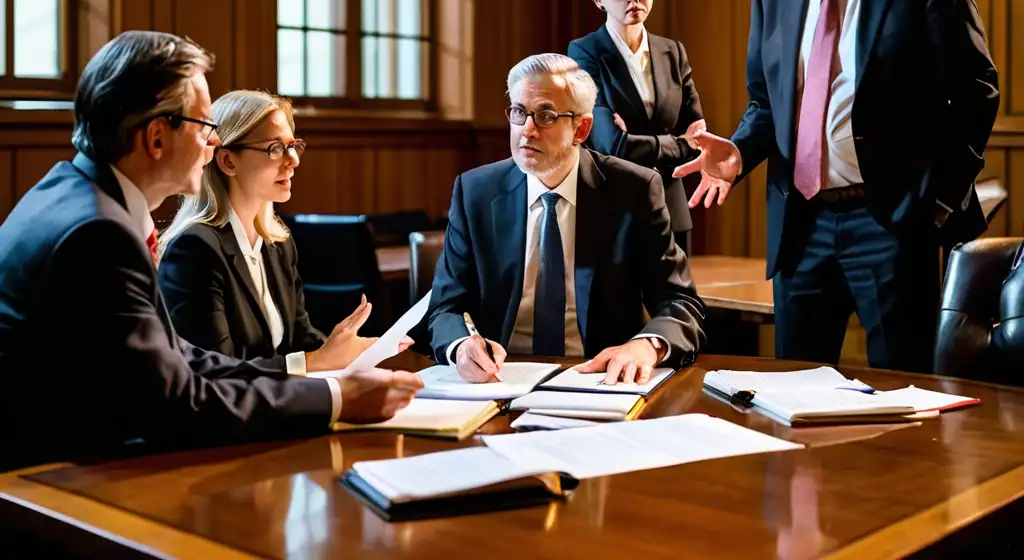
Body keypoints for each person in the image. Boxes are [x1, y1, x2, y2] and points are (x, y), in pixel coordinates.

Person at [0, 31, 423, 471]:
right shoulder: (97, 233)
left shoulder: (71, 193)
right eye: (204, 126)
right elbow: (177, 404)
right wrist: (338, 397)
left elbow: (184, 358)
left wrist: (324, 381)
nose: (215, 143)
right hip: (40, 484)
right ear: (157, 138)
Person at [674, 0, 999, 372]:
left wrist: (937, 202)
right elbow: (766, 102)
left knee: (903, 389)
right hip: (801, 223)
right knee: (796, 389)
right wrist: (739, 152)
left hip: (892, 219)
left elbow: (975, 90)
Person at [426, 53, 706, 385]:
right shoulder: (476, 192)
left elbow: (681, 303)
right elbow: (445, 308)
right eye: (519, 112)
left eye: (545, 115)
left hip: (600, 379)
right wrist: (461, 347)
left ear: (581, 128)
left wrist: (646, 347)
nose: (527, 131)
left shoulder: (634, 190)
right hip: (499, 382)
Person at [158, 90, 405, 368]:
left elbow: (299, 340)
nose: (293, 160)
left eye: (293, 145)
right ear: (228, 161)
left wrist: (349, 352)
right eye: (275, 148)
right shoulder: (195, 249)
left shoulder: (278, 243)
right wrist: (316, 361)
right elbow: (216, 373)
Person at [568, 0, 705, 252]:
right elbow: (609, 143)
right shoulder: (584, 52)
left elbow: (699, 139)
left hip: (672, 211)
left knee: (677, 300)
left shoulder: (672, 51)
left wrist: (639, 141)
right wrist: (678, 141)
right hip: (616, 212)